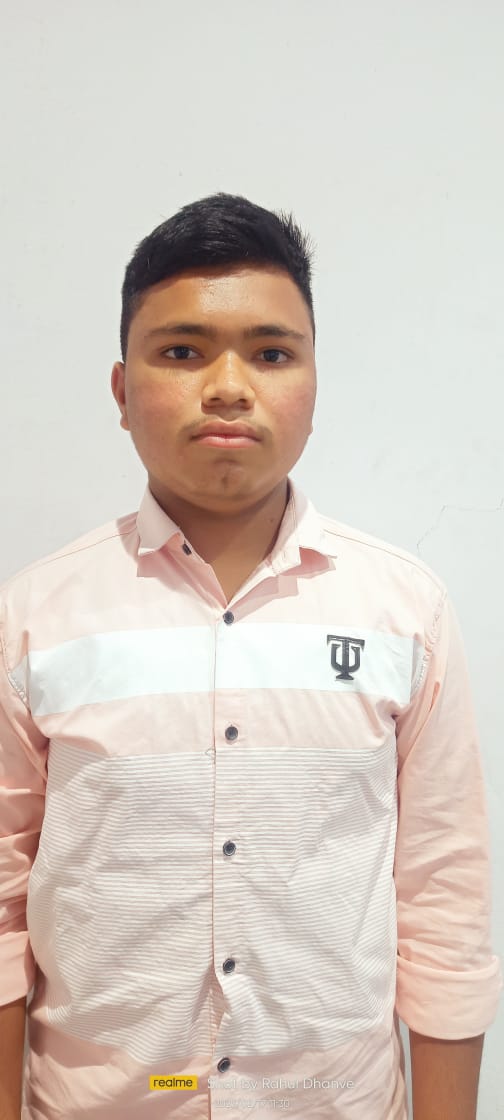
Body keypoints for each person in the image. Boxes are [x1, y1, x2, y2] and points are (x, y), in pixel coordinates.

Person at [0, 192, 501, 1120]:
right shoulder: (35, 617)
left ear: (314, 384)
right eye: (182, 351)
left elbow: (447, 901)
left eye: (271, 353)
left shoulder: (406, 613)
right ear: (121, 392)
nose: (228, 386)